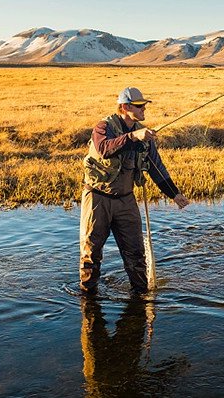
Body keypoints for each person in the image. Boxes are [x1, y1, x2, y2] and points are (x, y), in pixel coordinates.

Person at [79, 87, 189, 295]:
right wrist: (133, 137)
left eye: (144, 105)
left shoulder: (142, 134)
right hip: (97, 198)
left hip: (126, 201)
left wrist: (174, 194)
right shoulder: (103, 127)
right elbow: (104, 148)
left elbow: (157, 167)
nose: (144, 109)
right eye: (139, 106)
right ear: (125, 107)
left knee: (136, 252)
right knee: (91, 253)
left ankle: (140, 297)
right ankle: (88, 298)